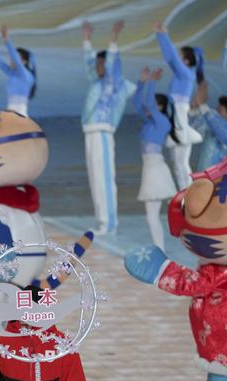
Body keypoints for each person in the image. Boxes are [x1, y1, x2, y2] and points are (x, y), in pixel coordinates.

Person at [80, 20, 135, 235]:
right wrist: (86, 39)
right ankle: (101, 220)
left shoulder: (113, 83)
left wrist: (113, 37)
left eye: (102, 64)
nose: (99, 67)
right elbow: (88, 62)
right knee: (95, 179)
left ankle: (109, 223)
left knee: (104, 179)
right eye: (98, 64)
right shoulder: (96, 81)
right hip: (91, 132)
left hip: (103, 133)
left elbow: (112, 64)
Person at [154, 22, 203, 189]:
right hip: (175, 116)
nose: (179, 60)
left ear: (187, 61)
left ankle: (188, 195)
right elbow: (172, 58)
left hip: (179, 117)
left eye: (182, 57)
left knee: (181, 163)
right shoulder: (184, 75)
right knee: (177, 163)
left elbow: (171, 58)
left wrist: (163, 35)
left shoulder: (186, 74)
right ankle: (184, 194)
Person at [135, 68, 178, 248]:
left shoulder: (162, 122)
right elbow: (138, 103)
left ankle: (160, 248)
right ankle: (159, 248)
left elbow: (147, 104)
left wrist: (151, 81)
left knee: (152, 214)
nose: (146, 108)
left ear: (159, 107)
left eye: (152, 105)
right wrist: (142, 82)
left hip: (156, 169)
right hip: (150, 168)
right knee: (151, 215)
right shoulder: (149, 122)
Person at [0, 25, 36, 116]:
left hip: (20, 115)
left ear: (24, 61)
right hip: (10, 113)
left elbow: (15, 58)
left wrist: (6, 39)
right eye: (10, 58)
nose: (11, 61)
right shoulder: (13, 73)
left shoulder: (25, 75)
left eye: (14, 58)